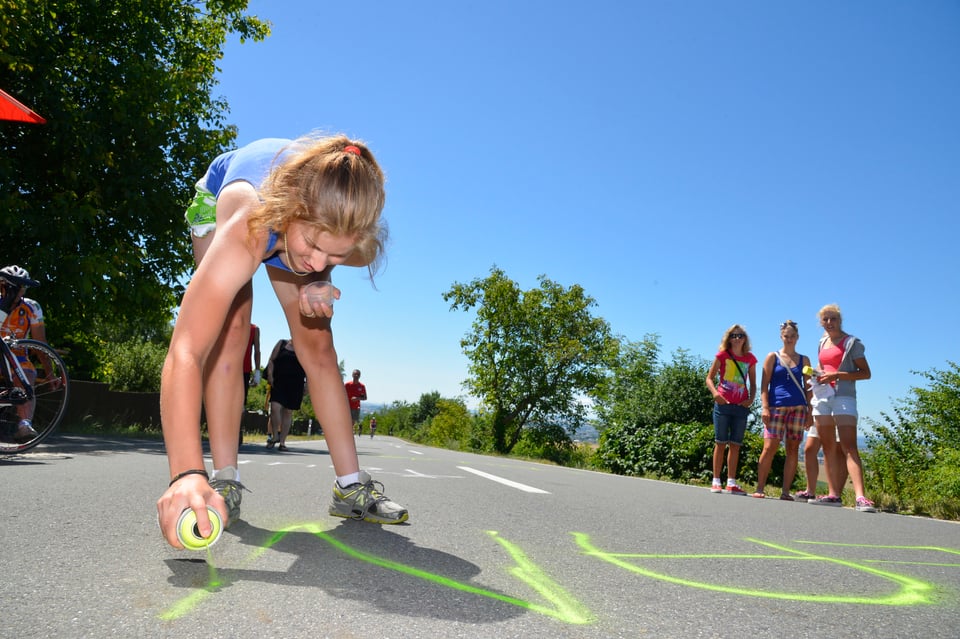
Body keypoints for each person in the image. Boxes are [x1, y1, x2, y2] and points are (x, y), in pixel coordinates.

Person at [156, 135, 408, 550]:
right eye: (313, 247)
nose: (316, 263)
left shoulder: (342, 237)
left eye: (335, 256)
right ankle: (222, 479)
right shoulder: (251, 226)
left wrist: (319, 281)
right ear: (292, 212)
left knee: (318, 344)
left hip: (293, 221)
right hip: (228, 200)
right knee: (229, 331)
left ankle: (350, 487)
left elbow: (322, 252)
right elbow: (185, 350)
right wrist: (185, 474)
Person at [807, 304, 875, 512]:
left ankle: (861, 497)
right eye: (825, 319)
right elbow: (825, 368)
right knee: (828, 448)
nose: (829, 323)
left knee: (849, 447)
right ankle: (833, 495)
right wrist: (818, 375)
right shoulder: (822, 343)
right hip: (823, 397)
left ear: (840, 320)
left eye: (833, 319)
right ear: (820, 322)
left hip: (844, 396)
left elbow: (865, 373)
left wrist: (837, 375)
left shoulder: (851, 343)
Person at [754, 320, 812, 500]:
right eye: (786, 336)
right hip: (775, 406)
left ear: (798, 338)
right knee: (769, 446)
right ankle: (760, 487)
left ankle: (785, 492)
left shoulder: (804, 360)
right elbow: (764, 385)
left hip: (798, 407)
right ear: (781, 337)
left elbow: (809, 387)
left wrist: (810, 412)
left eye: (792, 336)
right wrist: (765, 407)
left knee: (793, 449)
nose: (789, 339)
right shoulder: (772, 357)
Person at [0, 265, 52, 442]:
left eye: (23, 288)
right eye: (17, 287)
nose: (20, 292)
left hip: (17, 356)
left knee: (27, 373)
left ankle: (24, 425)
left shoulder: (32, 307)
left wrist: (50, 373)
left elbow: (40, 344)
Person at [705, 324, 757, 495]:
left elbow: (754, 383)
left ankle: (731, 482)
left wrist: (750, 399)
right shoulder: (722, 355)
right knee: (720, 443)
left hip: (740, 406)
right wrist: (715, 394)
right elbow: (709, 378)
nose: (737, 338)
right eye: (734, 335)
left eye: (740, 335)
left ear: (745, 338)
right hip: (723, 404)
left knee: (735, 445)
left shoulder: (750, 358)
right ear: (728, 338)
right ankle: (716, 480)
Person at [265, 338, 306, 452]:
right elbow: (272, 360)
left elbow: (309, 367)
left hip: (296, 384)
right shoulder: (282, 344)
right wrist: (270, 375)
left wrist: (307, 384)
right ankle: (274, 436)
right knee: (274, 408)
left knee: (288, 412)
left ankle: (282, 442)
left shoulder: (305, 347)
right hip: (278, 381)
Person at [243, 323, 262, 405]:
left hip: (244, 370)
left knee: (241, 403)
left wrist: (257, 372)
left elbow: (257, 351)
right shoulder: (225, 324)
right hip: (225, 370)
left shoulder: (254, 329)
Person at [345, 369, 367, 436]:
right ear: (352, 375)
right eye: (355, 374)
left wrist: (357, 398)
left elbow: (364, 397)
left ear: (359, 376)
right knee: (346, 421)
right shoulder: (347, 385)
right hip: (347, 406)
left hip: (355, 407)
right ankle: (346, 432)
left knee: (352, 422)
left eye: (357, 374)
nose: (356, 376)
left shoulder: (361, 386)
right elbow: (341, 394)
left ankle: (349, 433)